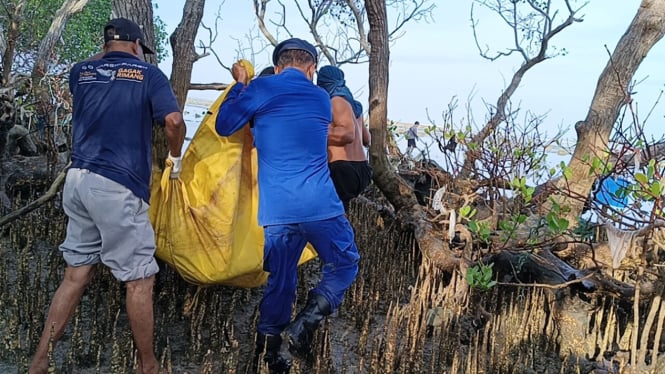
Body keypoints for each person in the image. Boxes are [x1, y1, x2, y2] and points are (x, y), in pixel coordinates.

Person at [28, 18, 186, 374]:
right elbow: (174, 121)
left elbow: (99, 69)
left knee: (75, 275)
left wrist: (106, 52)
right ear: (136, 46)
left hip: (78, 179)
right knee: (140, 279)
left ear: (105, 45)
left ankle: (38, 364)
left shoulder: (80, 72)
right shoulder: (148, 74)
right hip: (117, 186)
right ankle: (149, 366)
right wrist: (174, 157)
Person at [215, 38, 360, 373]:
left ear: (278, 66)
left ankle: (271, 354)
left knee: (281, 279)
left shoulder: (262, 88)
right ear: (312, 69)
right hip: (321, 205)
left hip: (278, 212)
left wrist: (239, 85)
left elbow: (225, 126)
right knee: (345, 263)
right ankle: (302, 326)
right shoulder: (322, 98)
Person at [316, 65, 372, 211]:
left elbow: (347, 133)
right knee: (355, 217)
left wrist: (315, 131)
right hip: (362, 168)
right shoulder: (354, 106)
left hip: (342, 168)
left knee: (338, 216)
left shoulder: (336, 101)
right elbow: (367, 140)